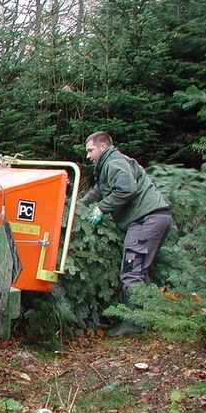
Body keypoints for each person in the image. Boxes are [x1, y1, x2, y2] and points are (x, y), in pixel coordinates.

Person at [79, 131, 172, 336]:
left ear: (103, 147)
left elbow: (126, 189)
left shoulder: (114, 162)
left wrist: (102, 208)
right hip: (156, 217)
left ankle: (133, 325)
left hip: (146, 220)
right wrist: (78, 206)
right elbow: (99, 190)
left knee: (132, 271)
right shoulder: (109, 165)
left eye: (90, 150)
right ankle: (149, 319)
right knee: (141, 271)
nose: (88, 156)